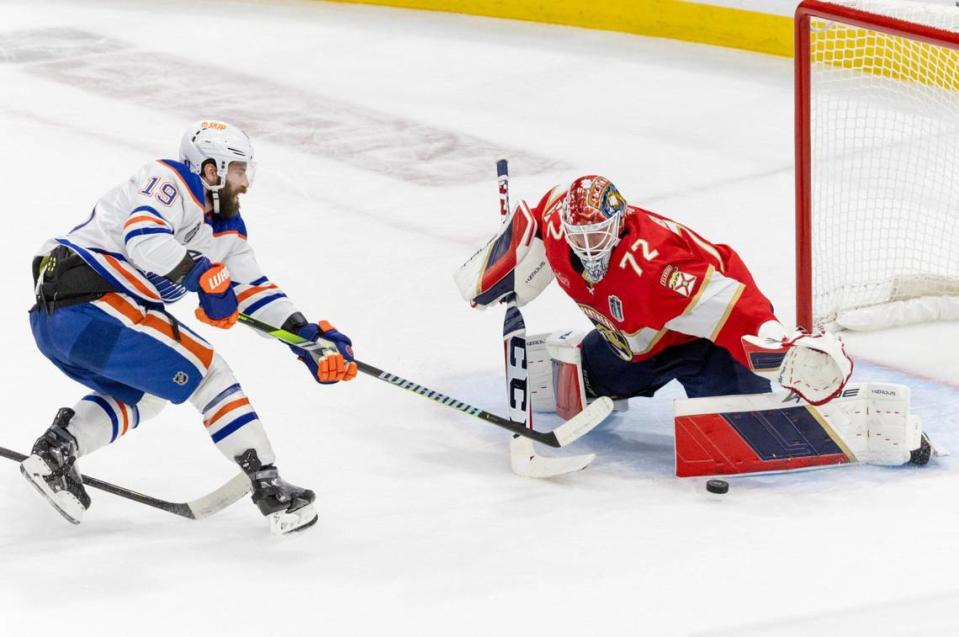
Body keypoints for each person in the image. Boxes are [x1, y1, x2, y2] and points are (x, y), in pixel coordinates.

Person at [23, 120, 357, 535]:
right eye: (238, 170)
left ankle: (56, 452)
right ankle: (268, 485)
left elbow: (251, 290)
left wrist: (305, 336)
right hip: (90, 299)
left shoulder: (227, 232)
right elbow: (143, 236)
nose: (246, 183)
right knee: (210, 374)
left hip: (65, 324)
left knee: (147, 395)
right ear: (210, 169)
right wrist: (198, 274)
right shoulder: (170, 181)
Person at [455, 174, 853, 418]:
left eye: (597, 236)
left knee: (737, 427)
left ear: (620, 222)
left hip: (705, 339)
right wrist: (501, 269)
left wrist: (777, 343)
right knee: (581, 383)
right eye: (580, 237)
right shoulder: (560, 228)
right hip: (633, 341)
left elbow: (733, 306)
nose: (588, 247)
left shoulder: (656, 268)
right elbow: (534, 221)